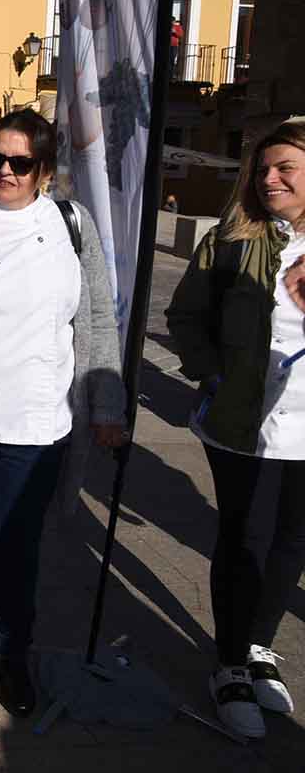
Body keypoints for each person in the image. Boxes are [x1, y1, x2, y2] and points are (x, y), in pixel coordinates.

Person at [0, 109, 127, 717]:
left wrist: (107, 403)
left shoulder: (71, 224)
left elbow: (97, 318)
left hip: (38, 425)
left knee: (17, 549)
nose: (5, 172)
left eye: (20, 163)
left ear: (43, 170)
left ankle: (12, 652)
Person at [166, 119, 305, 740]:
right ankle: (229, 665)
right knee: (245, 539)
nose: (269, 179)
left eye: (285, 169)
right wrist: (212, 374)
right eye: (263, 169)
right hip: (242, 423)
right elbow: (185, 315)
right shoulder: (231, 241)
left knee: (292, 542)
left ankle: (258, 647)